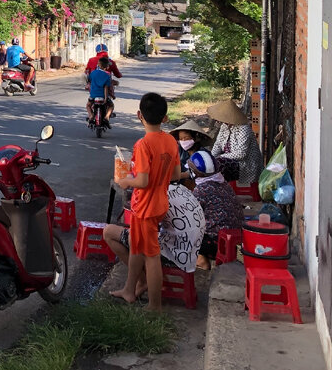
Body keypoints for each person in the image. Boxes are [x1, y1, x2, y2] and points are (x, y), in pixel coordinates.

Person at [110, 92, 182, 311]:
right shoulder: (170, 140)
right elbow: (176, 174)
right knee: (137, 249)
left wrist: (126, 181)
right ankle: (129, 290)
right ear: (165, 118)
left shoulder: (143, 144)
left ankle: (154, 306)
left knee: (151, 257)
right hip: (160, 202)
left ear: (139, 115)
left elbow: (142, 180)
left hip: (145, 208)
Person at [104, 178, 205, 293]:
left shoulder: (158, 195)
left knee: (110, 232)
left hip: (176, 254)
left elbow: (144, 231)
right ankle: (146, 281)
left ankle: (143, 281)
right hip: (190, 251)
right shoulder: (182, 189)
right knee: (138, 237)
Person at [189, 149, 244, 270]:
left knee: (181, 237)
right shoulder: (223, 183)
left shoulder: (202, 189)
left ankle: (201, 260)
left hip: (218, 242)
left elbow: (189, 215)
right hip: (237, 238)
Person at [206, 99, 264, 186]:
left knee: (220, 164)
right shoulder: (224, 127)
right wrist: (211, 158)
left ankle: (222, 190)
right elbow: (218, 144)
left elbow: (240, 154)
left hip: (245, 165)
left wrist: (220, 157)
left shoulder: (244, 129)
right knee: (209, 162)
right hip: (230, 161)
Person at [88, 55, 117, 125]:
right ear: (106, 67)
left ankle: (91, 115)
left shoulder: (93, 73)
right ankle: (107, 117)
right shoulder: (107, 76)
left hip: (93, 96)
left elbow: (89, 81)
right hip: (103, 96)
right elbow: (106, 88)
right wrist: (106, 98)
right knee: (111, 106)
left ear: (98, 65)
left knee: (88, 105)